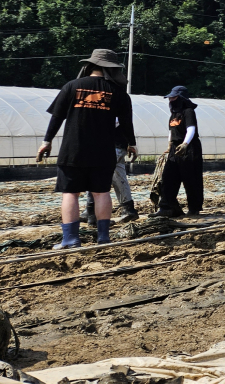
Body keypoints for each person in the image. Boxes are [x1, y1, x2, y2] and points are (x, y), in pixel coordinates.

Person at [36, 49, 136, 248]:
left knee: (70, 193)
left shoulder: (72, 86)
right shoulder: (119, 93)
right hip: (103, 152)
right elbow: (126, 123)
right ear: (112, 69)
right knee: (101, 192)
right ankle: (103, 238)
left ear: (89, 66)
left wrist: (46, 141)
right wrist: (131, 144)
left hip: (73, 150)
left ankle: (71, 239)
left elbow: (57, 117)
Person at [155, 86, 204, 217]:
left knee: (191, 179)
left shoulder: (188, 112)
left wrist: (185, 144)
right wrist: (169, 145)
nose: (170, 99)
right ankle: (167, 207)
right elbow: (171, 131)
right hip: (174, 148)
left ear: (181, 98)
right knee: (168, 177)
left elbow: (191, 129)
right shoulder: (173, 114)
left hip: (189, 148)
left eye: (173, 97)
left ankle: (194, 209)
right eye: (169, 97)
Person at [83, 120, 139, 225]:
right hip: (116, 145)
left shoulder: (109, 107)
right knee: (118, 174)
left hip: (110, 146)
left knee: (97, 175)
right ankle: (128, 208)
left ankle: (92, 212)